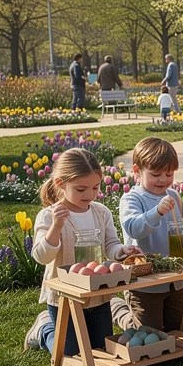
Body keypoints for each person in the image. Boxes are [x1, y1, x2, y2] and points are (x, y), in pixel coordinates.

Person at [26, 148, 141, 354]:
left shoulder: (100, 212)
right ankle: (45, 328)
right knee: (71, 354)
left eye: (95, 187)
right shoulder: (49, 216)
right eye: (80, 189)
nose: (89, 194)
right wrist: (56, 227)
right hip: (65, 296)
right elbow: (42, 257)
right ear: (61, 183)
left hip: (98, 293)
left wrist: (122, 251)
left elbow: (110, 246)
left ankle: (106, 312)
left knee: (100, 350)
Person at [119, 137, 183, 331]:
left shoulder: (174, 196)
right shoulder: (132, 199)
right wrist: (157, 212)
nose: (163, 179)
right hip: (145, 283)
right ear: (137, 171)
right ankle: (118, 309)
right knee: (149, 332)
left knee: (178, 330)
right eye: (156, 174)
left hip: (175, 280)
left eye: (169, 174)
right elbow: (134, 228)